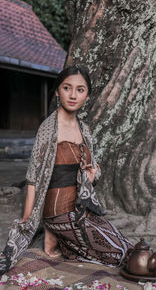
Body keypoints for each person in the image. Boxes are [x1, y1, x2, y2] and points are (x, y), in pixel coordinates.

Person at [0, 66, 133, 274]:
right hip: (57, 210)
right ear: (57, 91)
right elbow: (33, 177)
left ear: (87, 95)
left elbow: (92, 173)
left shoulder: (84, 129)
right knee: (116, 253)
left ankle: (64, 242)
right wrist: (27, 217)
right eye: (67, 88)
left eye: (80, 90)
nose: (73, 95)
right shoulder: (48, 128)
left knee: (126, 245)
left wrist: (89, 177)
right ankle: (55, 231)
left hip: (80, 207)